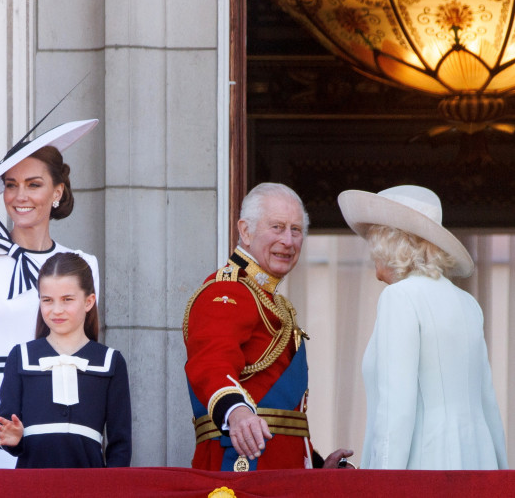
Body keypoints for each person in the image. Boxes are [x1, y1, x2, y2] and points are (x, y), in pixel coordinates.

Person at [0, 119, 100, 468]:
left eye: (34, 184)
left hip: (63, 413)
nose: (20, 196)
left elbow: (87, 358)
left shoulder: (83, 265)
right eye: (11, 185)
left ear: (57, 191)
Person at [182, 183, 352, 471]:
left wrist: (318, 465)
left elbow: (279, 414)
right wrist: (235, 411)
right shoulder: (226, 293)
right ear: (245, 231)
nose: (288, 240)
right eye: (277, 227)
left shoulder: (267, 299)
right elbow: (210, 363)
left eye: (296, 230)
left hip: (279, 472)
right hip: (241, 468)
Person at [338, 185, 508, 470]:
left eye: (372, 239)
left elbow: (396, 410)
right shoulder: (467, 303)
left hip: (425, 466)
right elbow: (489, 404)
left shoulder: (400, 297)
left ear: (386, 243)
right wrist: (503, 473)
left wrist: (382, 484)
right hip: (477, 464)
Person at [0, 252, 131, 467]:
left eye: (67, 300)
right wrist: (12, 438)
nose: (56, 310)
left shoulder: (111, 361)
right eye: (47, 300)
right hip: (32, 485)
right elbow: (3, 426)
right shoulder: (20, 357)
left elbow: (120, 444)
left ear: (89, 301)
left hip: (90, 487)